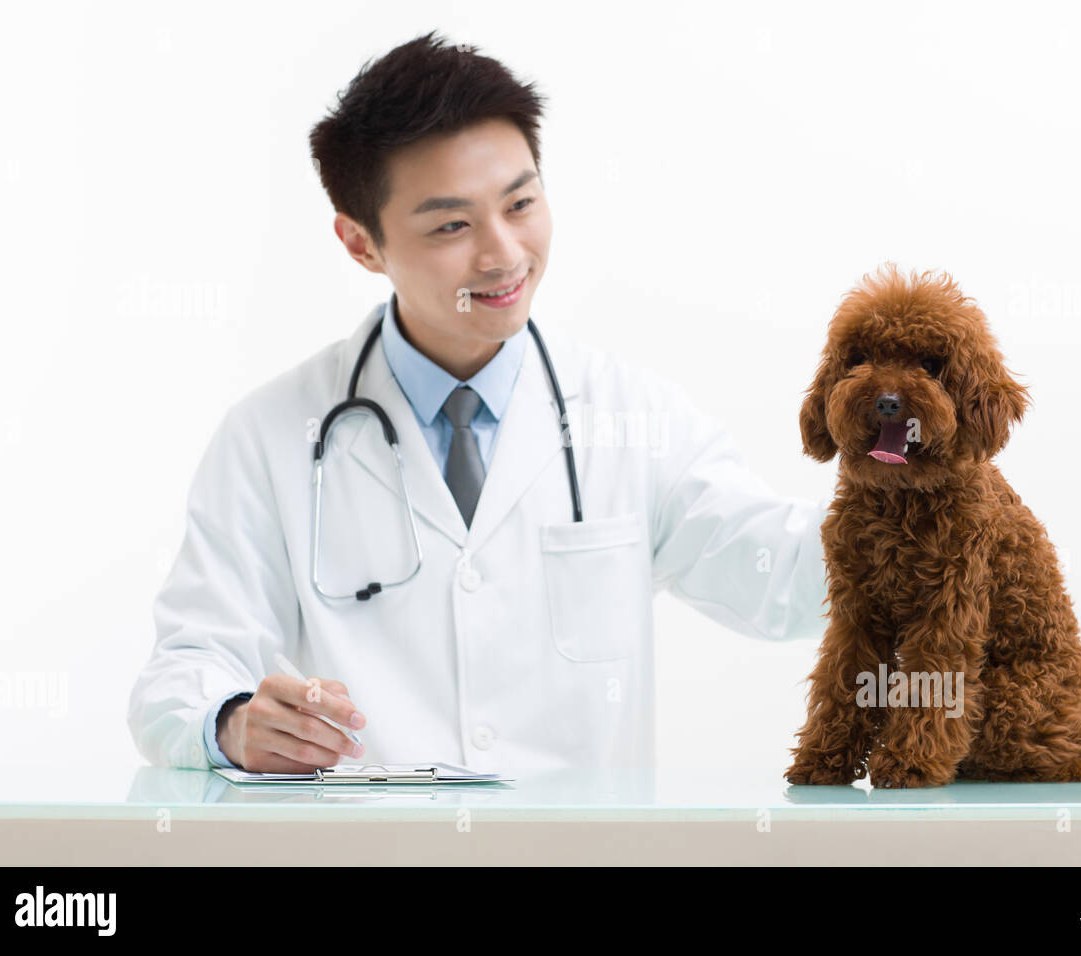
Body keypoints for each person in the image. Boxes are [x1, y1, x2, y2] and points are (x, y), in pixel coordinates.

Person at [127, 31, 829, 774]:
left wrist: (938, 508)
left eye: (520, 203)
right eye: (451, 226)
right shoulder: (269, 436)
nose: (502, 255)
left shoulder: (632, 417)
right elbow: (183, 671)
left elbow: (778, 578)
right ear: (361, 243)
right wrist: (232, 723)